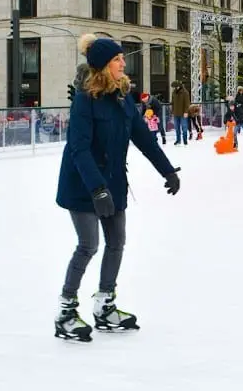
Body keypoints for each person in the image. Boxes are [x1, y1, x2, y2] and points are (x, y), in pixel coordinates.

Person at [55, 34, 182, 342]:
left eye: (122, 58)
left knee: (116, 242)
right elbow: (79, 149)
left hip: (113, 181)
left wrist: (167, 170)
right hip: (83, 183)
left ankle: (105, 305)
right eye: (117, 59)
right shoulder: (85, 99)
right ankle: (66, 312)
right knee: (88, 245)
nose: (124, 63)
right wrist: (97, 189)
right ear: (102, 66)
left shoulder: (123, 96)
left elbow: (143, 137)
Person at [171, 82, 191, 146]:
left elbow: (187, 103)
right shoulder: (174, 92)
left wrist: (186, 112)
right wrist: (173, 111)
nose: (174, 88)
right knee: (177, 127)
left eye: (175, 87)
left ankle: (185, 140)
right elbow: (173, 103)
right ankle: (178, 140)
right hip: (176, 113)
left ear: (178, 86)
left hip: (183, 113)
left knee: (184, 127)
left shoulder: (185, 92)